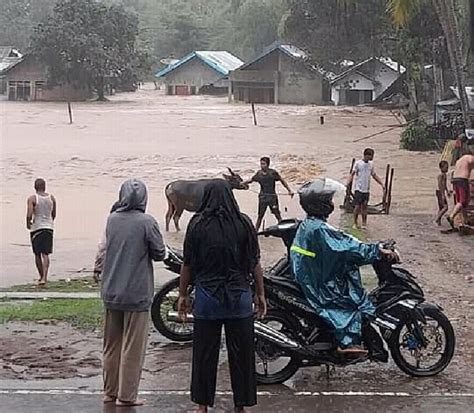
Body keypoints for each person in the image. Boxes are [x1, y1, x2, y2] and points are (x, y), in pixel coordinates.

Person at [177, 180, 266, 413]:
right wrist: (260, 293)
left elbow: (187, 264)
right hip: (239, 300)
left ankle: (202, 405)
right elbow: (255, 262)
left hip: (208, 300)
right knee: (243, 356)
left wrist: (183, 295)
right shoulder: (244, 223)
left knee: (204, 354)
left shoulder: (197, 224)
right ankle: (241, 405)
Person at [291, 178, 395, 355]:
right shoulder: (319, 229)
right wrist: (376, 250)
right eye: (329, 200)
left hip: (310, 273)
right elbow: (346, 249)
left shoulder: (312, 224)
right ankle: (346, 342)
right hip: (318, 281)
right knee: (353, 301)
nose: (332, 203)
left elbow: (343, 241)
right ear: (321, 204)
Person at [101, 179, 166, 407]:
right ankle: (127, 396)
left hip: (111, 290)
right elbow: (159, 253)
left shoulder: (111, 220)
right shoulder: (147, 222)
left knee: (111, 345)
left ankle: (110, 392)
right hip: (136, 293)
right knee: (132, 347)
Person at [244, 157, 294, 230]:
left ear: (268, 164)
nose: (262, 166)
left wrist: (289, 190)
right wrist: (242, 183)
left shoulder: (273, 173)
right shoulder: (259, 173)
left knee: (277, 215)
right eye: (261, 164)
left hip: (272, 197)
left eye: (263, 164)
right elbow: (251, 180)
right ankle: (255, 232)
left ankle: (283, 230)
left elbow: (282, 180)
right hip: (262, 198)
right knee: (260, 216)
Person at [26, 178, 56, 286]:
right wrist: (50, 222)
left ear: (35, 187)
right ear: (45, 186)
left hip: (37, 228)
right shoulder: (51, 198)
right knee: (46, 254)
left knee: (37, 253)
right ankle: (45, 277)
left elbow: (29, 214)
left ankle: (41, 276)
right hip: (49, 227)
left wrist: (28, 223)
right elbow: (53, 214)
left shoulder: (32, 198)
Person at [347, 148, 385, 229]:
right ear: (366, 155)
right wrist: (348, 183)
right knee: (357, 206)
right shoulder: (358, 164)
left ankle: (364, 224)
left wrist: (381, 184)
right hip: (358, 188)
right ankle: (355, 223)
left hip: (366, 189)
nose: (372, 157)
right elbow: (352, 174)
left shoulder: (371, 164)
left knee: (365, 206)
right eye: (371, 156)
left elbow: (374, 175)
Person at [447, 151, 474, 229]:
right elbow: (471, 161)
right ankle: (451, 216)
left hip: (455, 180)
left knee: (462, 201)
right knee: (463, 201)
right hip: (463, 180)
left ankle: (465, 220)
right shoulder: (470, 158)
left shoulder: (459, 160)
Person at [435, 160, 451, 226]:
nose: (447, 169)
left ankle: (439, 222)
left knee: (441, 208)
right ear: (441, 168)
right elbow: (440, 185)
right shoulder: (440, 175)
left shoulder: (444, 175)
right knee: (445, 207)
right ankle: (437, 219)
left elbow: (445, 185)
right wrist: (442, 194)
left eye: (448, 167)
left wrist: (447, 191)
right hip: (440, 192)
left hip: (441, 192)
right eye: (446, 167)